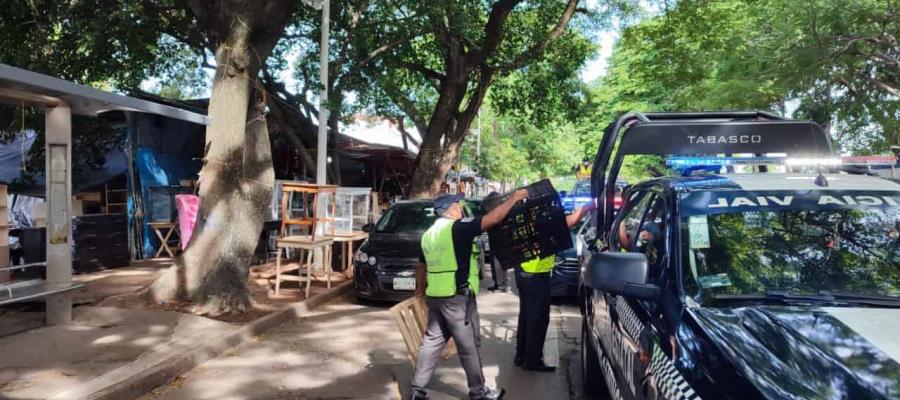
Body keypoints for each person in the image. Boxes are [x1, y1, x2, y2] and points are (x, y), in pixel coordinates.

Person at [410, 190, 528, 400]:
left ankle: (416, 391)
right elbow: (495, 218)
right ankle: (479, 393)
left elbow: (421, 266)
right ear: (452, 208)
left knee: (431, 343)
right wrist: (514, 198)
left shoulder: (428, 234)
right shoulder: (458, 228)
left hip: (435, 296)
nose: (462, 208)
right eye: (459, 205)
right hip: (457, 299)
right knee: (469, 346)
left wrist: (420, 292)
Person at [514, 201, 595, 372]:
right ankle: (532, 360)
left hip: (524, 272)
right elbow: (570, 221)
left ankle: (521, 355)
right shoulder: (540, 221)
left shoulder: (525, 220)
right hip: (536, 274)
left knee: (527, 316)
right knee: (538, 318)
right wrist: (588, 206)